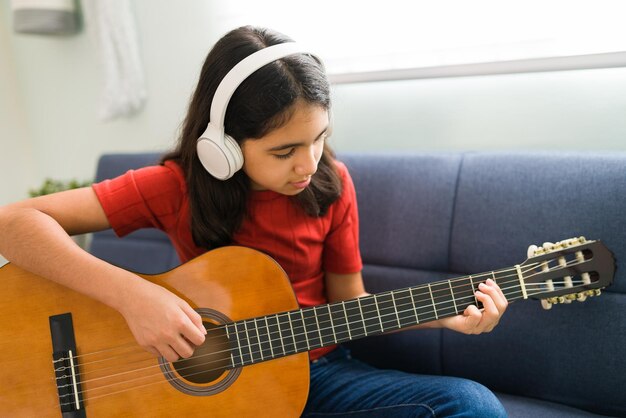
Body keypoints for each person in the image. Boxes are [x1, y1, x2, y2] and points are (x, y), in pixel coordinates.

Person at [0, 26, 508, 417]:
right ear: (221, 147)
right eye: (285, 150)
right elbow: (13, 222)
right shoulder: (176, 186)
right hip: (208, 389)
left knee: (472, 404)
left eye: (319, 138)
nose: (309, 164)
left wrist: (443, 313)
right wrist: (135, 298)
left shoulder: (332, 185)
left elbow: (350, 301)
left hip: (318, 374)